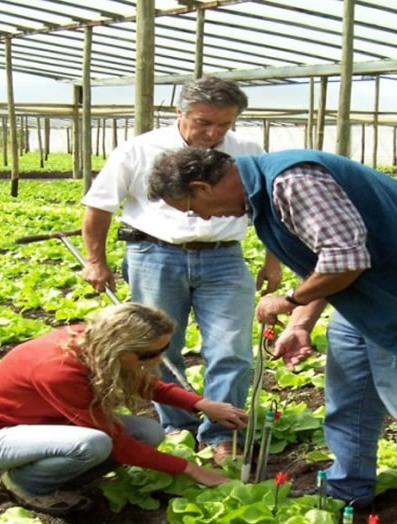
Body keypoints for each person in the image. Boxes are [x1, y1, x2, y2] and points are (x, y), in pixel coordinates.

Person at [146, 147, 397, 524]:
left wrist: (289, 301)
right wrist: (301, 324)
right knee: (348, 396)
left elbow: (346, 260)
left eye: (191, 208)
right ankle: (349, 486)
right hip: (368, 292)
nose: (202, 219)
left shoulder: (291, 181)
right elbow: (324, 261)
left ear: (202, 186)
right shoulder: (264, 191)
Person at [80, 76, 281, 464]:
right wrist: (95, 261)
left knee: (231, 348)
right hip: (154, 255)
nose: (213, 132)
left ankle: (221, 434)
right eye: (204, 122)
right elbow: (100, 206)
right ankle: (176, 425)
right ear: (180, 113)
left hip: (225, 256)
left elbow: (268, 208)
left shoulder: (247, 152)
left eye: (224, 124)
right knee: (158, 348)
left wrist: (273, 260)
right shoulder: (139, 149)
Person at [0, 302, 249, 516]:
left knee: (148, 432)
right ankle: (26, 483)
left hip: (46, 425)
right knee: (95, 444)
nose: (160, 359)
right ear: (121, 350)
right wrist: (191, 469)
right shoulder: (59, 370)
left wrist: (202, 404)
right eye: (151, 354)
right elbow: (117, 444)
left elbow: (138, 381)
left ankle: (51, 473)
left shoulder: (95, 340)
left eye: (164, 349)